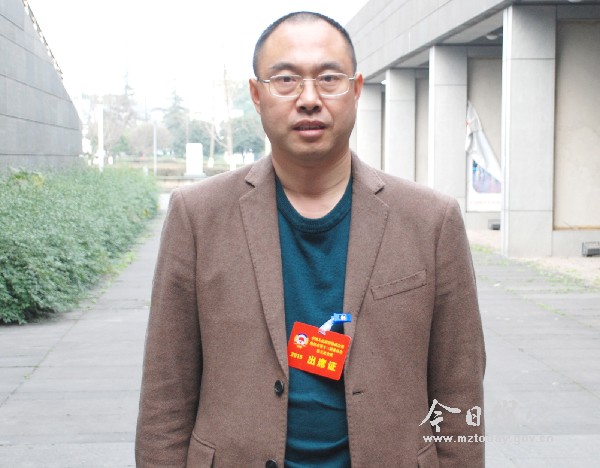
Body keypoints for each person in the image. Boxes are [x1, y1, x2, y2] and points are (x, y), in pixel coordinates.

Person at [136, 11, 485, 468]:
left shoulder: (431, 220)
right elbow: (167, 388)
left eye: (329, 78)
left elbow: (459, 386)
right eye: (285, 79)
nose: (309, 99)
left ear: (356, 90)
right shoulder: (198, 215)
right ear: (256, 94)